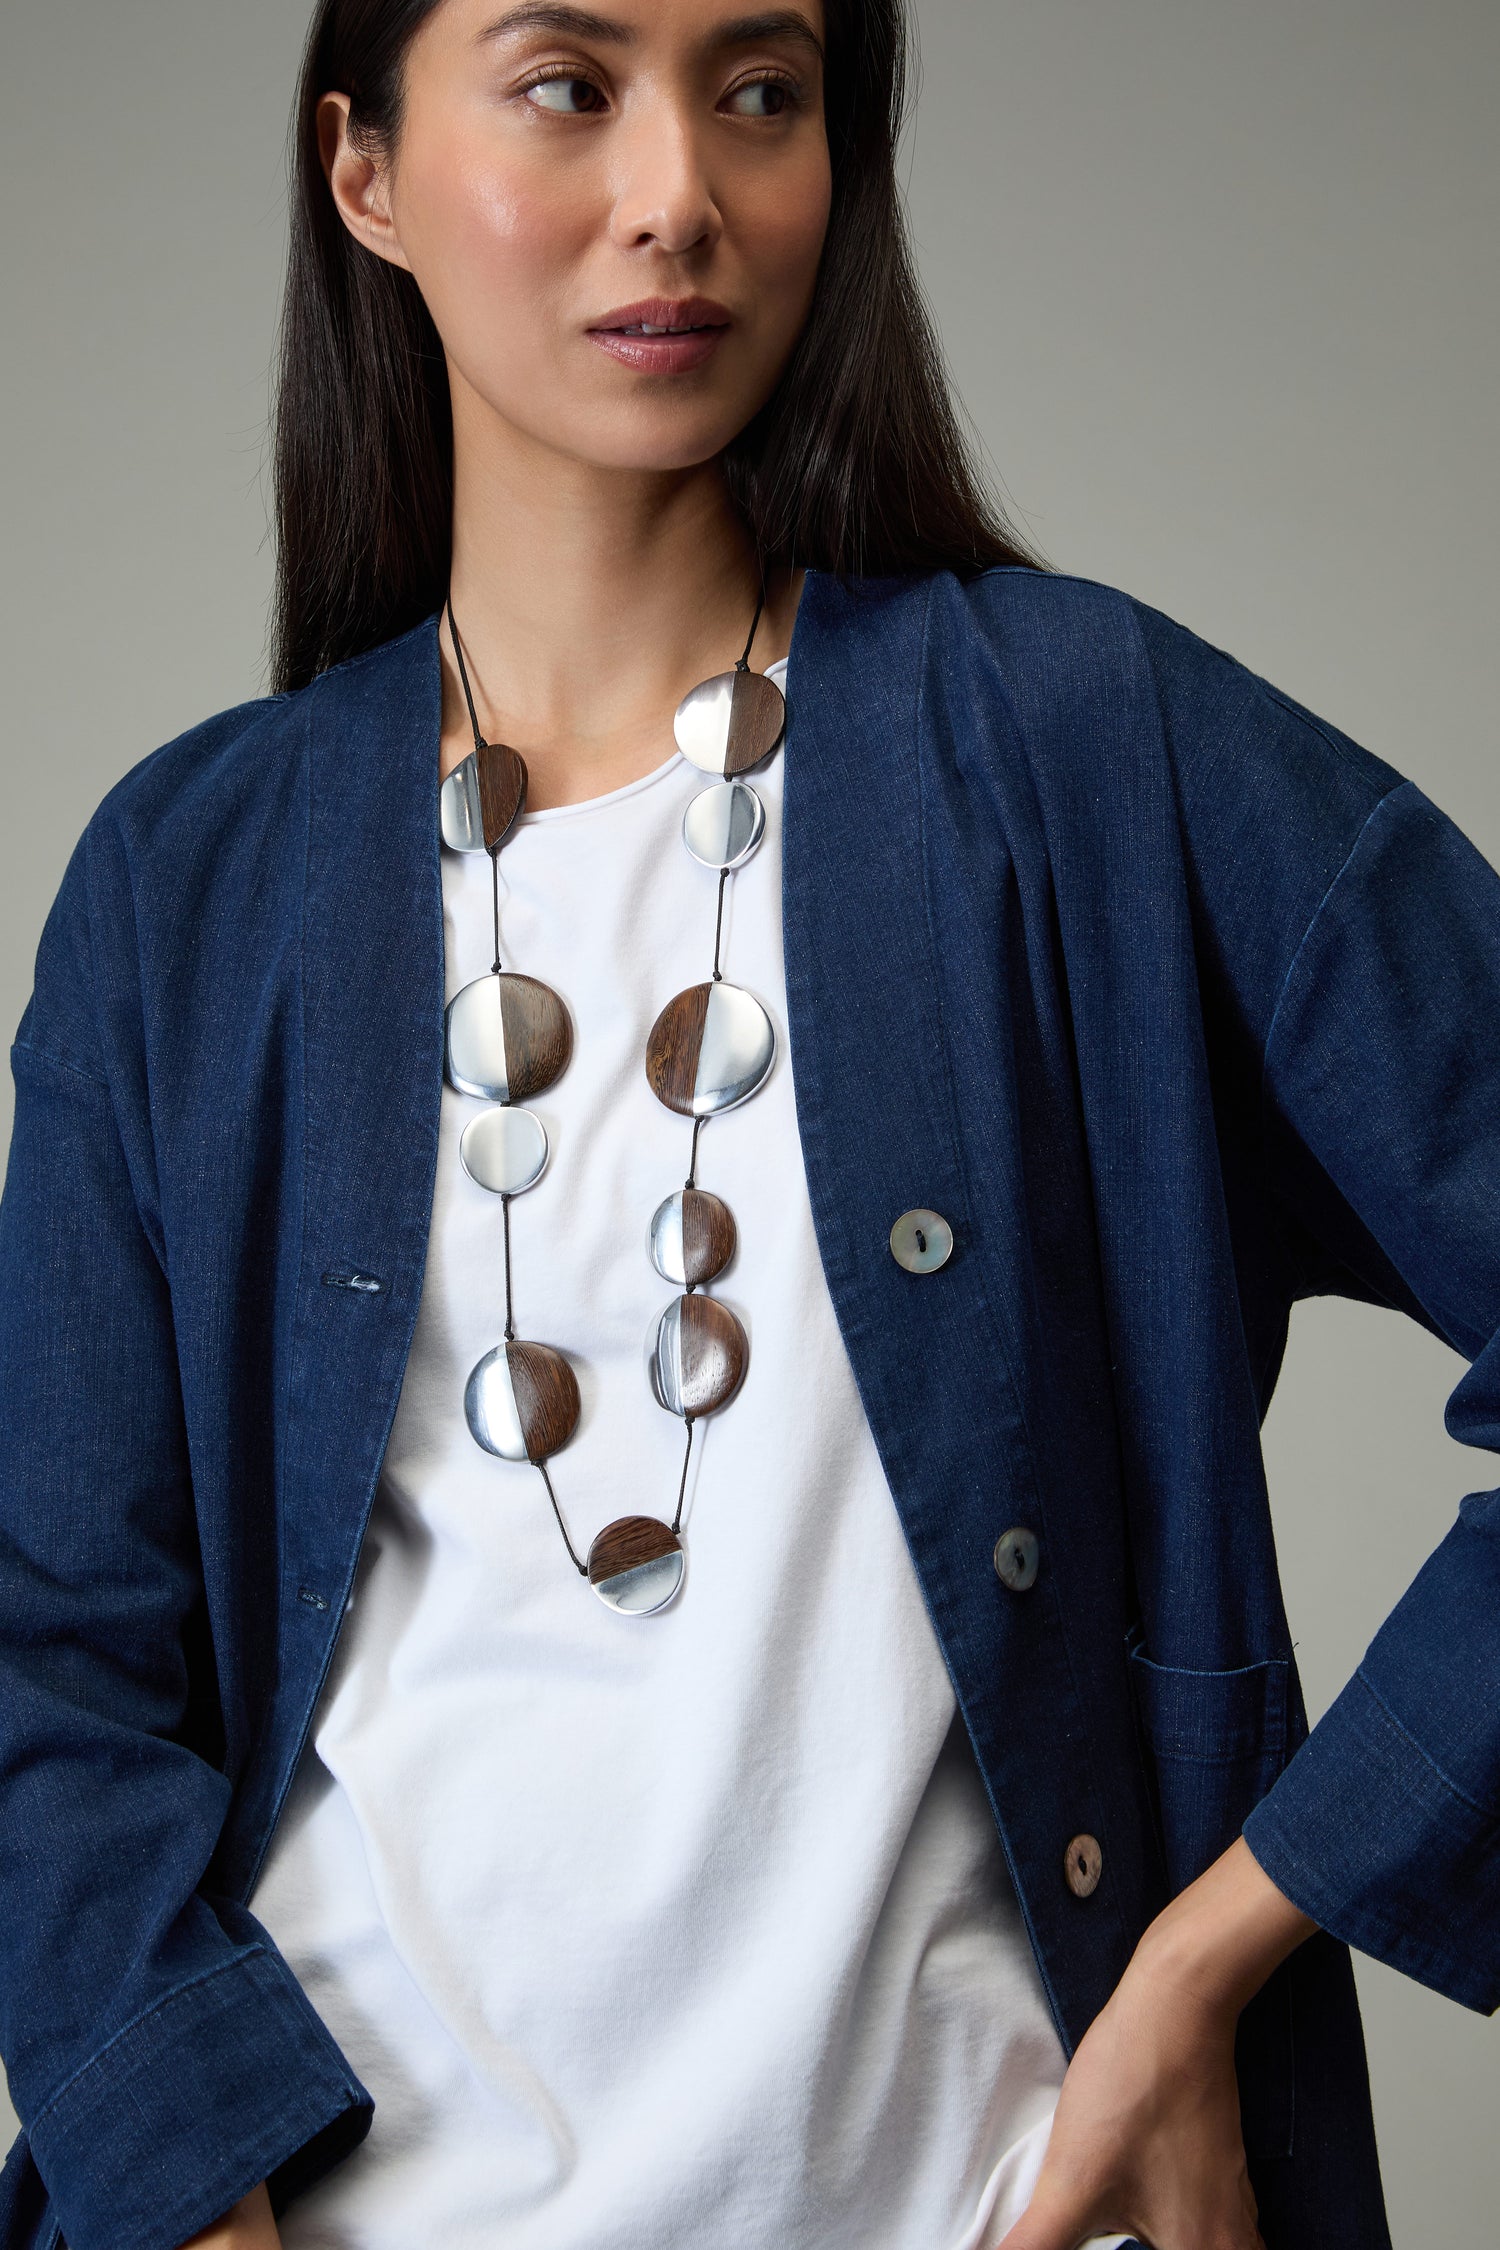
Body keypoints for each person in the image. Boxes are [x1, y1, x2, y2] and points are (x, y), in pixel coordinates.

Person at [0, 0, 1495, 2246]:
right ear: (366, 172)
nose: (679, 193)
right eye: (568, 86)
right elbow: (50, 1668)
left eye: (762, 93)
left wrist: (1217, 1953)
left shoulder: (1077, 743)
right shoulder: (182, 888)